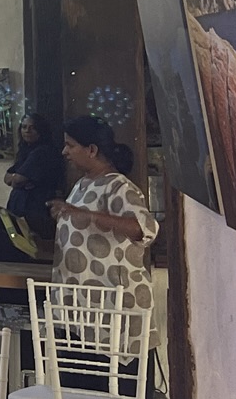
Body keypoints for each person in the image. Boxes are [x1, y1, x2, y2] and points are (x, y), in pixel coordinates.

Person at [46, 115, 158, 316]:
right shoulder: (81, 185)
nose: (64, 152)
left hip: (115, 304)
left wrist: (88, 215)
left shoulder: (118, 187)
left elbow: (143, 229)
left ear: (91, 150)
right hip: (85, 302)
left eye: (70, 145)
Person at [4, 113, 65, 234]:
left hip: (35, 207)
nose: (27, 131)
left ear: (40, 130)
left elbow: (17, 181)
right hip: (21, 205)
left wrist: (16, 178)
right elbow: (7, 178)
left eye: (32, 128)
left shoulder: (43, 152)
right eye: (24, 127)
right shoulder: (25, 151)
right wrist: (16, 178)